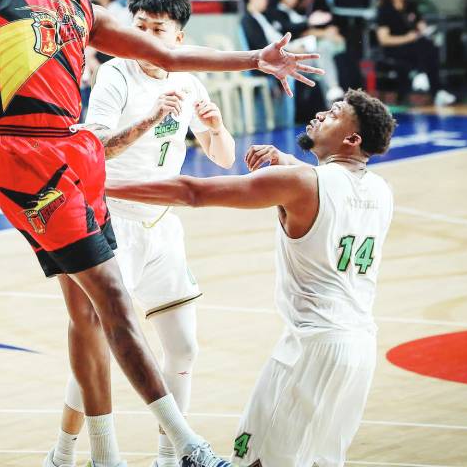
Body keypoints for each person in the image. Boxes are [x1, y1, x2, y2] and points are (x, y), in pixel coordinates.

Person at [0, 0, 319, 467]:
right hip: (30, 154)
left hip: (74, 158)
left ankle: (89, 455)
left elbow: (173, 55)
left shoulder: (84, 12)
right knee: (114, 303)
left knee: (89, 317)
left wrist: (255, 58)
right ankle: (186, 444)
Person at [104, 90, 396, 467]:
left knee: (254, 462)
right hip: (358, 352)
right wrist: (285, 163)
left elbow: (193, 192)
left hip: (311, 347)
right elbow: (330, 186)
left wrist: (102, 186)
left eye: (334, 113)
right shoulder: (380, 190)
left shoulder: (303, 182)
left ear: (352, 139)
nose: (321, 114)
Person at [45, 0, 236, 467]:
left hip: (162, 223)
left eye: (158, 29)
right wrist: (151, 119)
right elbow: (98, 149)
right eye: (140, 27)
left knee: (184, 348)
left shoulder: (189, 80)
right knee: (98, 347)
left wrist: (214, 128)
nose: (146, 36)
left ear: (178, 36)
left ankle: (169, 457)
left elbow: (224, 159)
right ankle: (64, 452)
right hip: (113, 221)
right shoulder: (115, 74)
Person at [374, 0, 456, 106]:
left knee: (428, 46)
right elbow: (384, 39)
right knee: (424, 48)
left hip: (414, 46)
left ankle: (426, 79)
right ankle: (428, 82)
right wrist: (407, 38)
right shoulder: (385, 10)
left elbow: (420, 24)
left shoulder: (410, 5)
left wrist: (426, 32)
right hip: (395, 46)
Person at [272, 0, 347, 103]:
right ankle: (334, 98)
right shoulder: (277, 14)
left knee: (325, 60)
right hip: (291, 57)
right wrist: (319, 30)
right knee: (323, 57)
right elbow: (294, 30)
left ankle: (333, 99)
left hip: (306, 52)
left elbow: (306, 30)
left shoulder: (294, 12)